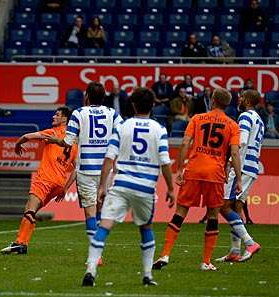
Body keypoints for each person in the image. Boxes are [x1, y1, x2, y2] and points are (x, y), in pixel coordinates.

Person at [82, 88, 175, 287]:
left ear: (132, 105)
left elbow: (109, 158)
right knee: (146, 228)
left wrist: (101, 187)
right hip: (145, 188)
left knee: (104, 225)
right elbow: (165, 163)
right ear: (152, 105)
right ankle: (148, 275)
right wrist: (170, 188)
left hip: (121, 184)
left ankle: (91, 269)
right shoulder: (159, 129)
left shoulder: (123, 126)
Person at [153, 88, 241, 271]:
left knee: (180, 212)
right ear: (227, 104)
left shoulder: (197, 118)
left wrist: (179, 169)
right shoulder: (232, 125)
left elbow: (185, 143)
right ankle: (206, 261)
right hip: (215, 174)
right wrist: (238, 179)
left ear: (213, 100)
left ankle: (165, 255)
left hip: (194, 170)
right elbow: (234, 152)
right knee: (213, 216)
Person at [47, 82, 123, 246]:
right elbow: (123, 136)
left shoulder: (78, 113)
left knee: (89, 213)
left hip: (86, 171)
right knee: (100, 211)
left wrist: (55, 140)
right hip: (106, 171)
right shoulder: (112, 113)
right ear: (103, 97)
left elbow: (67, 142)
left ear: (87, 96)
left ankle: (96, 253)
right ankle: (99, 248)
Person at [0, 107, 78, 254]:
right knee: (30, 208)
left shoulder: (52, 132)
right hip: (59, 183)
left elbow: (28, 136)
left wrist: (18, 144)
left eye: (57, 115)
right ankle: (22, 244)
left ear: (64, 119)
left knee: (30, 210)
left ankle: (20, 243)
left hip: (45, 178)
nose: (54, 116)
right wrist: (66, 188)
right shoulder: (73, 143)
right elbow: (77, 169)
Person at [216, 90, 263, 263]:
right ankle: (235, 251)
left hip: (241, 167)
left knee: (222, 205)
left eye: (242, 97)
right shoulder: (259, 119)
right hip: (252, 166)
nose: (239, 99)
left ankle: (249, 243)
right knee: (236, 207)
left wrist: (230, 163)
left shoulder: (245, 116)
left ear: (248, 100)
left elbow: (241, 142)